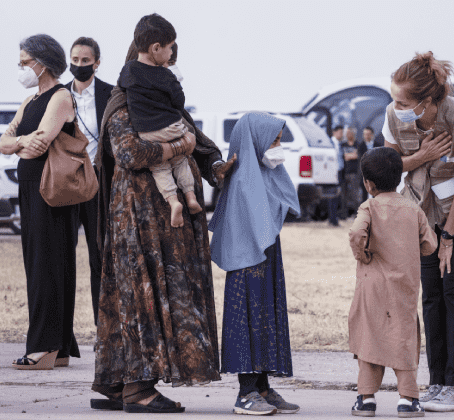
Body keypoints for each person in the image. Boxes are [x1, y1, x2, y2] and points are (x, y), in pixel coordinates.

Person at [89, 34, 237, 413]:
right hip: (139, 221)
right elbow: (128, 152)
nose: (170, 72)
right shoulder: (123, 103)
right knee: (141, 296)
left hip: (166, 223)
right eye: (165, 65)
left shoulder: (165, 104)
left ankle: (120, 382)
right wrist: (175, 149)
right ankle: (138, 390)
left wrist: (218, 169)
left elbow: (201, 145)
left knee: (145, 296)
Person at [383, 52, 454, 412]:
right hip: (423, 211)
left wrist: (448, 237)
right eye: (394, 98)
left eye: (403, 101)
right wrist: (420, 156)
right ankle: (437, 382)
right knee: (431, 293)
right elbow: (387, 167)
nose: (395, 106)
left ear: (427, 102)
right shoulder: (393, 116)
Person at [209, 112, 302, 416]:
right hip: (247, 265)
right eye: (273, 140)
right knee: (247, 321)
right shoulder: (242, 184)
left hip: (265, 261)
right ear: (256, 142)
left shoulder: (265, 173)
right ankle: (246, 392)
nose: (278, 146)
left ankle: (262, 387)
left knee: (264, 319)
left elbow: (283, 204)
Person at [0, 34, 80, 370]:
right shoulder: (31, 100)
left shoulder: (60, 97)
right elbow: (4, 143)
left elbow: (40, 145)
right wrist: (20, 141)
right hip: (30, 186)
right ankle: (57, 346)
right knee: (40, 263)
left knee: (49, 264)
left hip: (51, 189)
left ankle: (44, 346)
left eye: (24, 62)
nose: (20, 68)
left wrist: (20, 142)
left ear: (42, 64)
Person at [348, 147, 437, 418]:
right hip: (404, 287)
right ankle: (408, 400)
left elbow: (355, 233)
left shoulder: (369, 207)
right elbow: (430, 244)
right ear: (399, 177)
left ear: (368, 183)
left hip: (371, 285)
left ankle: (366, 398)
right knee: (403, 336)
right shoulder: (413, 210)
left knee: (369, 336)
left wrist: (363, 255)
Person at [118, 13, 201, 228]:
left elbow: (122, 85)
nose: (172, 52)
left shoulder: (128, 71)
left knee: (160, 168)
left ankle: (173, 201)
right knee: (180, 159)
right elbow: (179, 101)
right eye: (170, 47)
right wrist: (170, 79)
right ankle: (190, 196)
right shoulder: (165, 75)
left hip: (146, 133)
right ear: (156, 48)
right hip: (172, 128)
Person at [65, 36, 113, 330]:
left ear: (97, 62)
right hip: (66, 185)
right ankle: (59, 336)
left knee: (100, 259)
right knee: (63, 259)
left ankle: (103, 330)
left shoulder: (110, 93)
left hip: (98, 186)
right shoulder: (59, 95)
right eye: (75, 60)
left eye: (85, 60)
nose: (79, 65)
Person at [340, 126, 364, 216]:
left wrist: (349, 156)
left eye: (350, 133)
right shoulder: (343, 145)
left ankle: (356, 213)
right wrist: (352, 155)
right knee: (344, 194)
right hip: (344, 173)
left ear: (353, 134)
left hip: (355, 173)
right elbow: (344, 156)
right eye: (347, 133)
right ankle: (344, 214)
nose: (348, 135)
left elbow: (357, 156)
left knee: (355, 194)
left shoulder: (358, 145)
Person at [357, 127, 384, 199]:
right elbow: (361, 159)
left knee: (376, 195)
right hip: (364, 175)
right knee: (364, 196)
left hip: (375, 174)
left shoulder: (378, 146)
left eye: (368, 134)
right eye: (365, 134)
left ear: (372, 135)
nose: (366, 136)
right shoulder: (360, 146)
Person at [328, 125, 346, 225]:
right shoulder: (330, 143)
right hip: (332, 171)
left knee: (337, 195)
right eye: (340, 132)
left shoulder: (340, 144)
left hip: (339, 171)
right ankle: (332, 218)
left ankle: (334, 217)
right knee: (332, 194)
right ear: (334, 132)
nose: (342, 134)